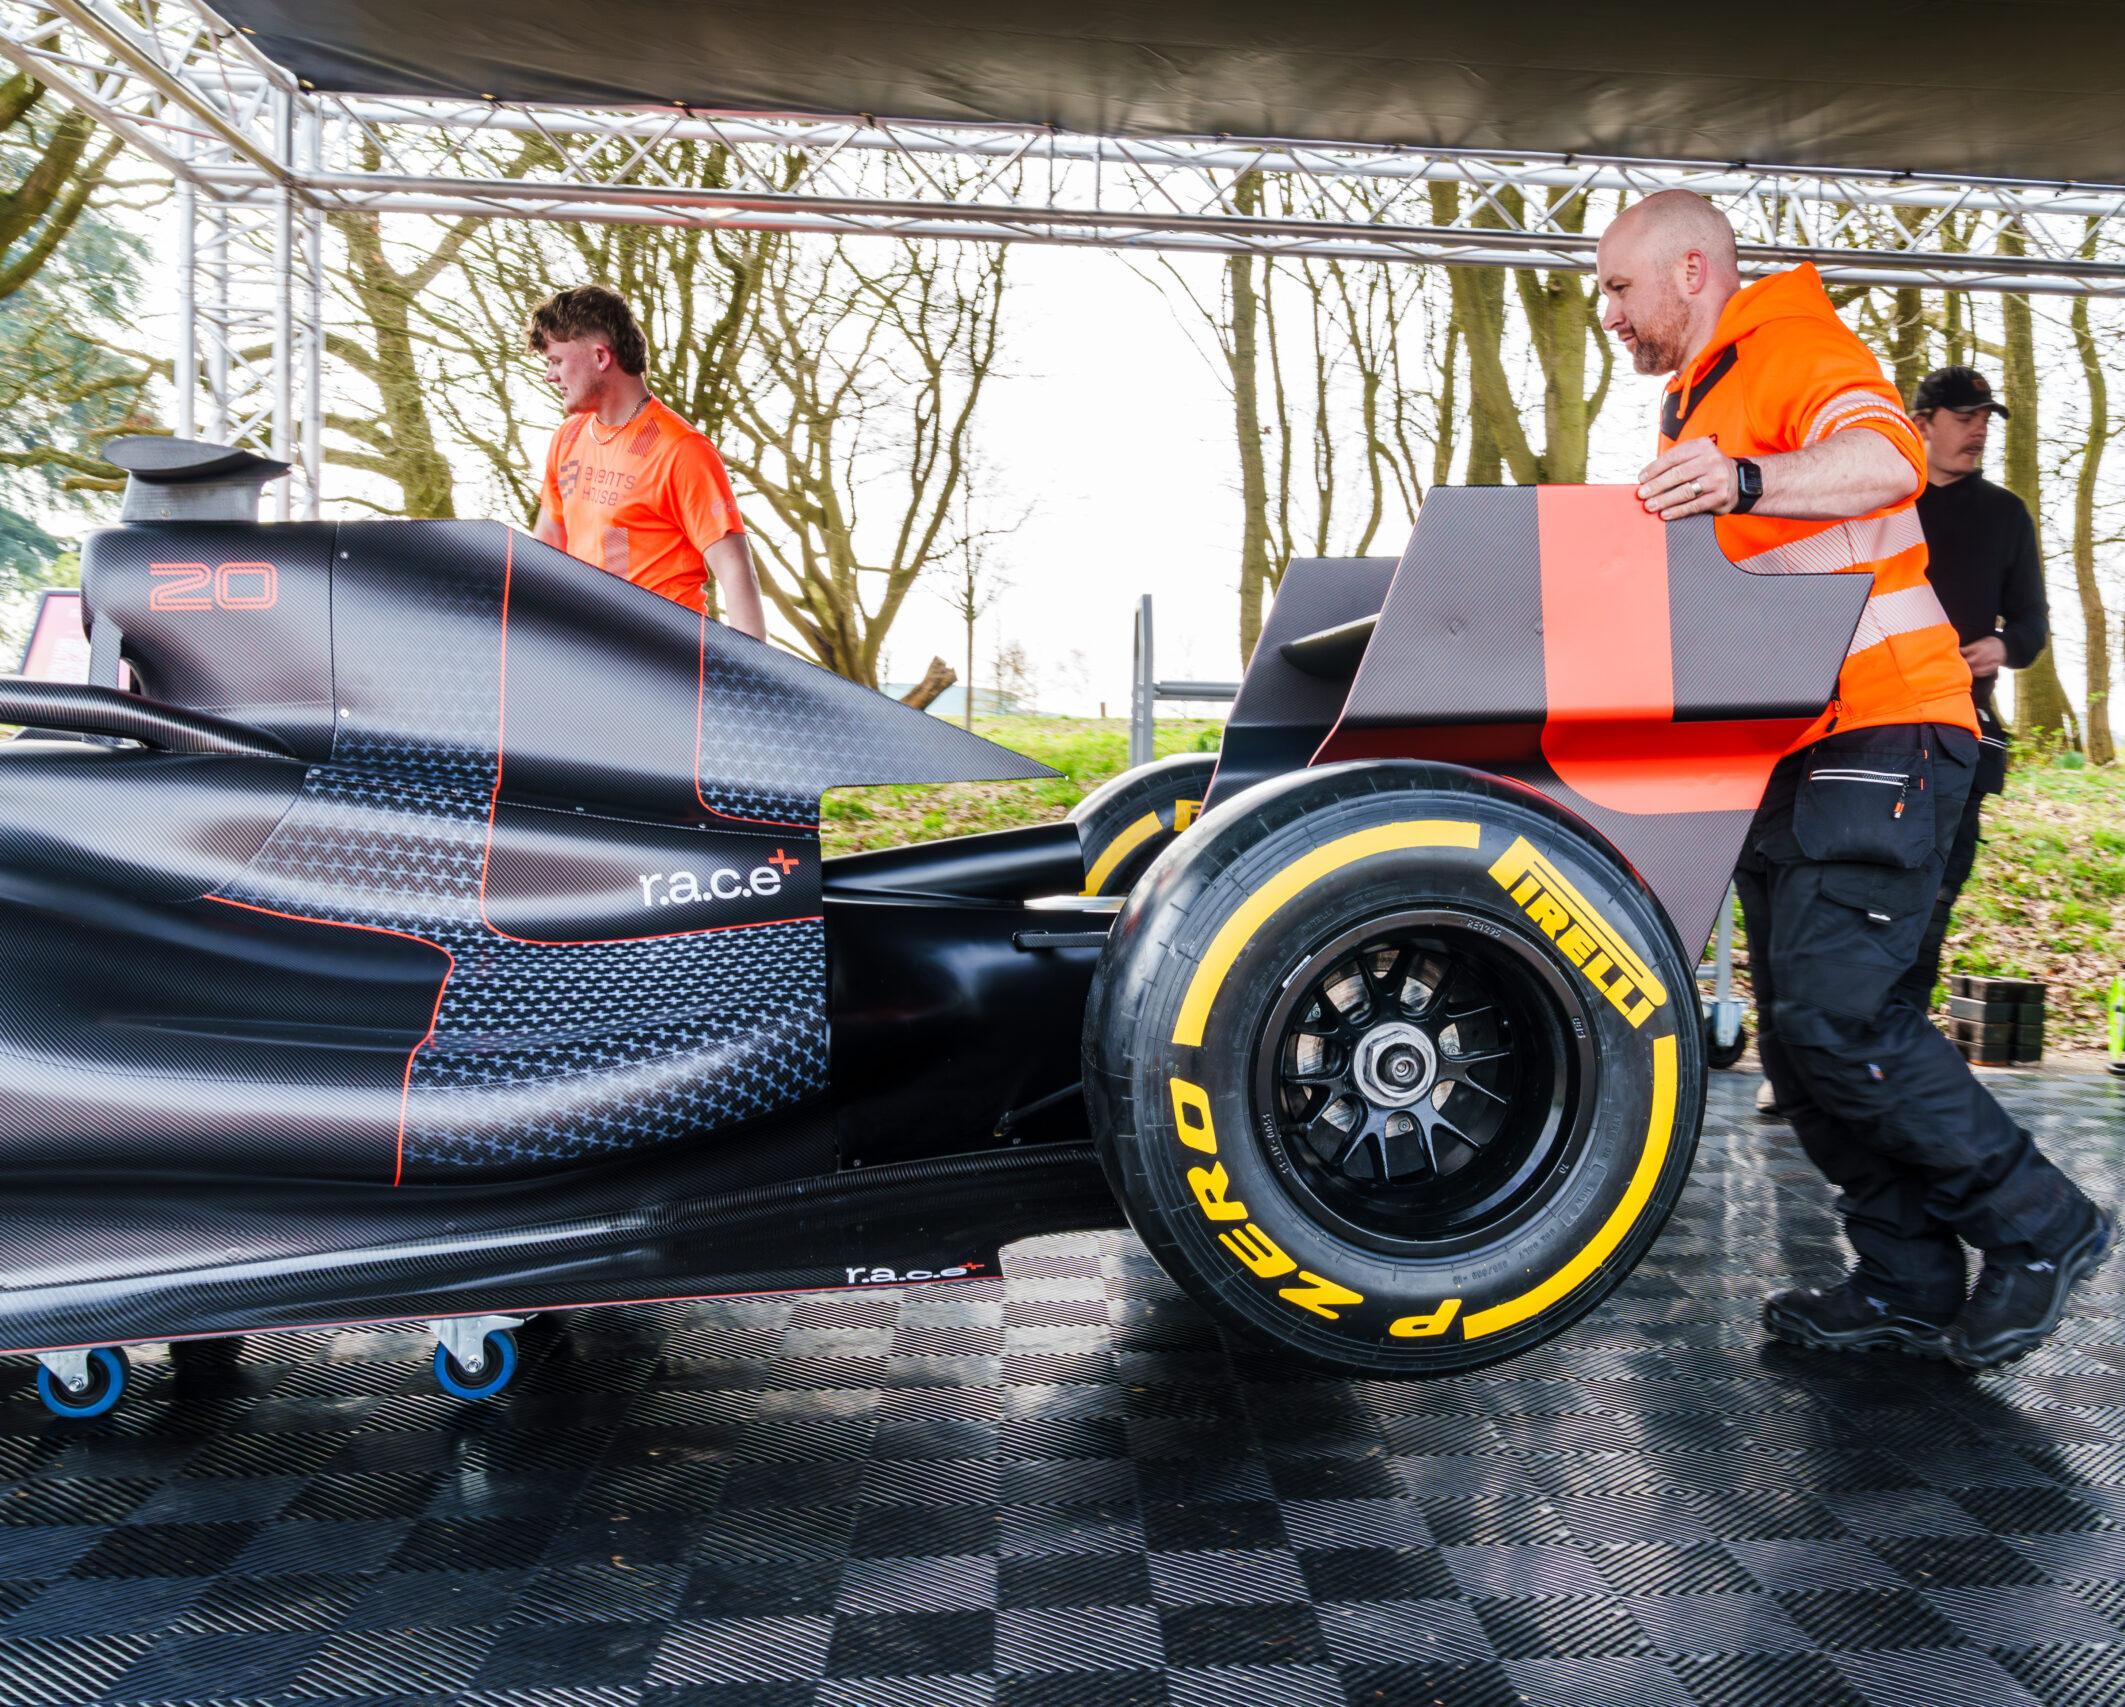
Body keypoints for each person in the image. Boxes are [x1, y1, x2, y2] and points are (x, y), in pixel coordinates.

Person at [1596, 190, 2108, 1370]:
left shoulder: (1794, 346)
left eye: (1619, 290)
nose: (1608, 316)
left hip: (1885, 736)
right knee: (1803, 1044)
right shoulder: (1700, 401)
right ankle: (1905, 1281)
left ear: (1689, 271)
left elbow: (1883, 459)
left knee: (1842, 1021)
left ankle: (2041, 1224)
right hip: (1792, 754)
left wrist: (1744, 483)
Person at [1897, 366, 2049, 1004]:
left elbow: (2032, 624)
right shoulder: (1882, 506)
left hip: (1962, 738)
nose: (1980, 430)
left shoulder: (2005, 515)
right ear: (1922, 425)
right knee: (1853, 901)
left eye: (1987, 418)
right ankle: (1819, 1060)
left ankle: (1895, 1047)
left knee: (1933, 901)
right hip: (1866, 735)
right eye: (1966, 418)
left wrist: (2001, 647)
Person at [526, 284, 767, 639]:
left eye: (557, 361)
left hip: (667, 661)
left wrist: (751, 681)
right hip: (591, 653)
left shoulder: (682, 449)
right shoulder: (568, 438)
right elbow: (548, 542)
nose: (550, 375)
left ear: (600, 357)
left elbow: (734, 569)